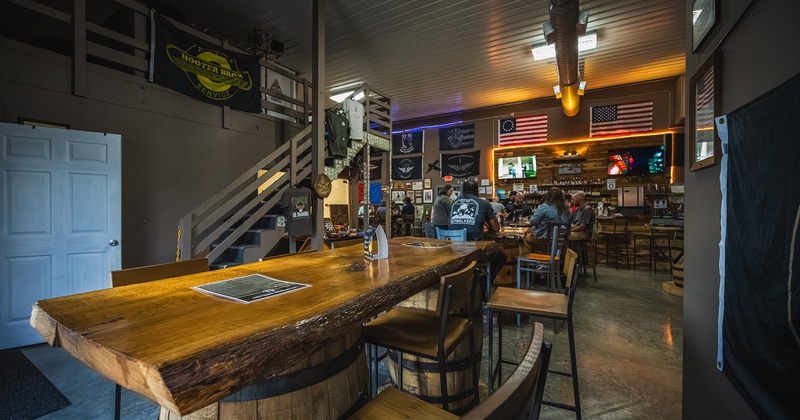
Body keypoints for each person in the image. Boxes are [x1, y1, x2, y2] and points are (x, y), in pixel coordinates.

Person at [448, 179, 505, 299]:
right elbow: (495, 228)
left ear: (463, 191)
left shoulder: (454, 203)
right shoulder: (483, 204)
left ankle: (471, 284)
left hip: (452, 250)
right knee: (500, 255)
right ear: (477, 191)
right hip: (473, 252)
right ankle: (482, 286)